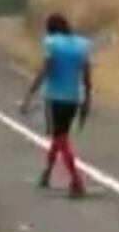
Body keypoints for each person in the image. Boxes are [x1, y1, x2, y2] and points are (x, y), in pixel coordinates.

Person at [19, 13, 92, 198]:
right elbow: (86, 75)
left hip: (54, 97)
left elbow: (45, 69)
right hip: (73, 98)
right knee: (60, 136)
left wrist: (30, 94)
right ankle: (47, 173)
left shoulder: (51, 43)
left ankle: (76, 180)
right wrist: (87, 100)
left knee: (60, 139)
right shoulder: (81, 44)